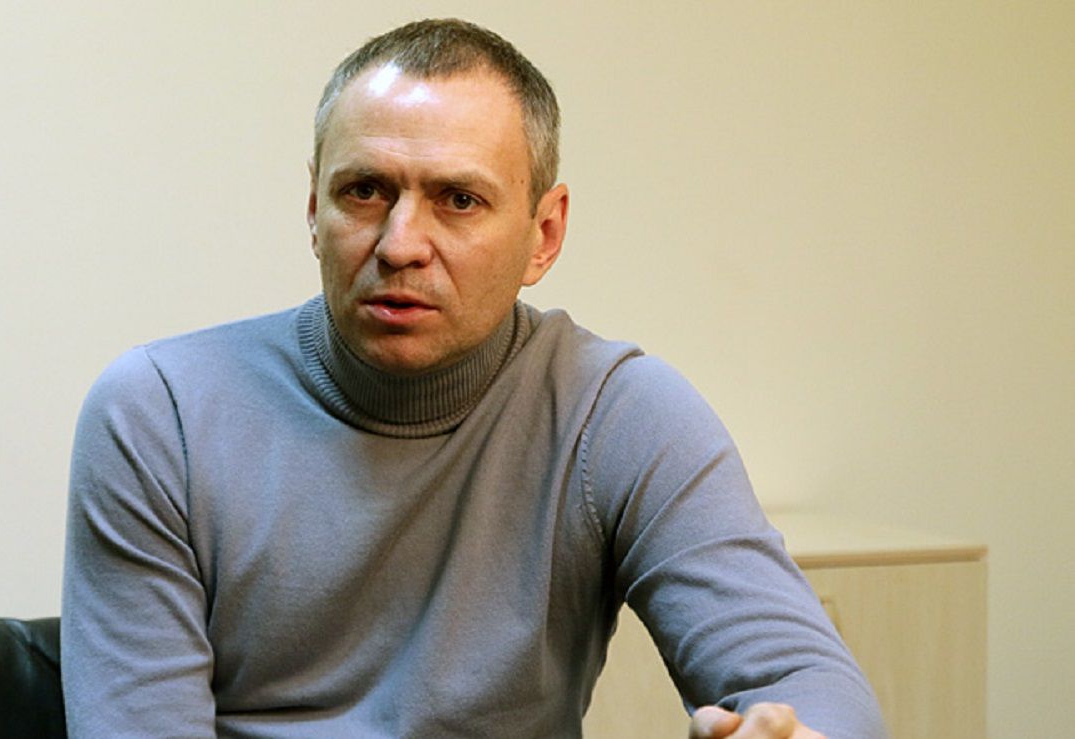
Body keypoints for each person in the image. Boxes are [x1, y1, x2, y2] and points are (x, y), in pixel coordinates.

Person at [61, 18, 886, 739]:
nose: (399, 244)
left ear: (543, 234)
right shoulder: (160, 412)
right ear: (314, 209)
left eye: (458, 199)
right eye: (364, 191)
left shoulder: (614, 412)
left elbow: (805, 679)